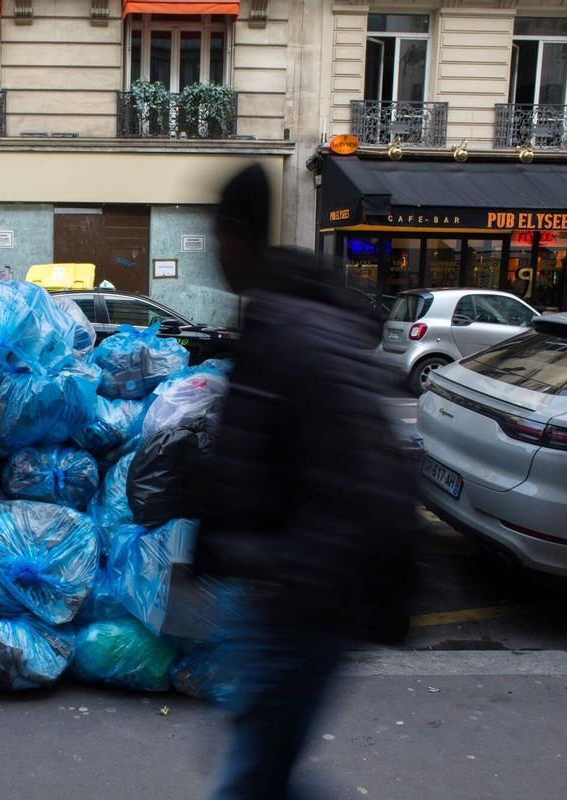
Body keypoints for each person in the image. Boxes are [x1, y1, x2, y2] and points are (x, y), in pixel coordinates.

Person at [191, 165, 418, 799]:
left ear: (234, 237)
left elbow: (357, 486)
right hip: (277, 599)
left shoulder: (298, 335)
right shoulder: (277, 324)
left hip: (303, 608)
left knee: (252, 779)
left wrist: (278, 576)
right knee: (263, 771)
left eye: (214, 236)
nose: (213, 253)